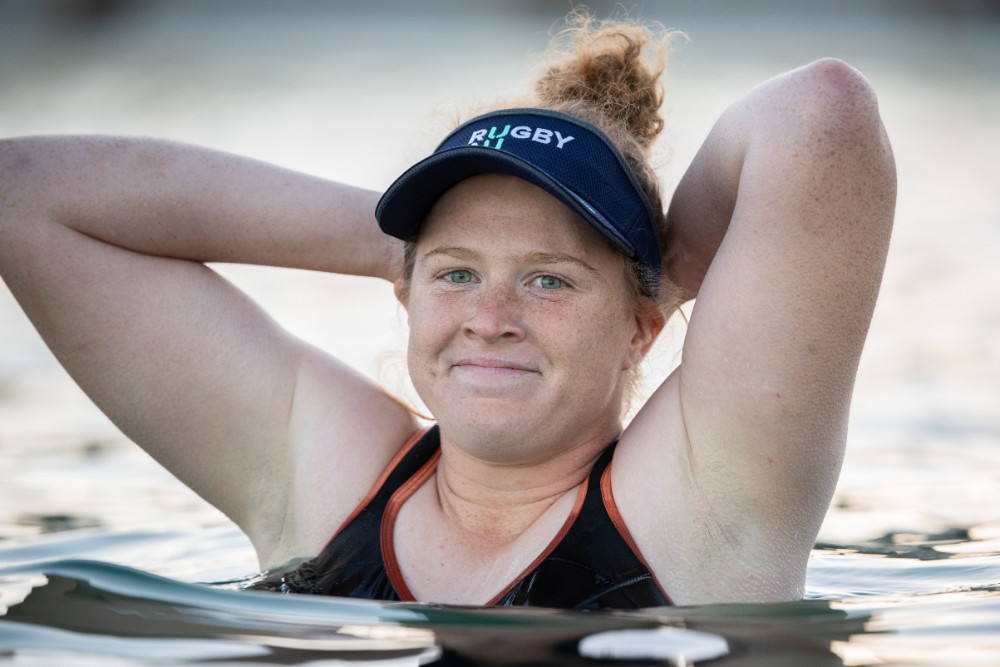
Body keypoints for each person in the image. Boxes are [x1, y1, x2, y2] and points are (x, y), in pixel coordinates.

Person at [0, 15, 895, 609]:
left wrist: (656, 269)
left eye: (550, 280)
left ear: (638, 328)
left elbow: (821, 115)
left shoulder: (705, 502)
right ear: (404, 292)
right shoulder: (327, 474)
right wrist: (400, 240)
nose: (491, 315)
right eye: (457, 277)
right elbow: (22, 194)